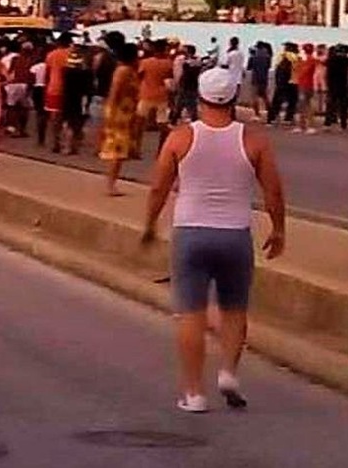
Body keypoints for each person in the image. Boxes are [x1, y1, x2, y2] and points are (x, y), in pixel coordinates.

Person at [143, 68, 286, 414]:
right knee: (234, 309)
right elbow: (273, 190)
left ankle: (194, 393)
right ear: (235, 96)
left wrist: (149, 223)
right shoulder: (253, 140)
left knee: (190, 314)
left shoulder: (180, 138)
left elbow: (159, 186)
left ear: (200, 97)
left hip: (191, 233)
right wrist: (279, 229)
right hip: (235, 234)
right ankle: (228, 373)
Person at [99, 37, 140, 196]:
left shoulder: (128, 71)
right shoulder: (123, 71)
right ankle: (111, 184)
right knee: (117, 151)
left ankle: (112, 183)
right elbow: (115, 93)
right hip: (119, 114)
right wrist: (111, 113)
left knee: (120, 152)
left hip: (124, 113)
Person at [137, 40, 174, 158]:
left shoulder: (145, 62)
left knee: (139, 122)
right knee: (162, 124)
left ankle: (136, 149)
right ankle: (160, 151)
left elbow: (139, 76)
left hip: (146, 94)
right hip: (162, 95)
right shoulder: (169, 63)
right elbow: (170, 81)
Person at [323, 44, 348, 132]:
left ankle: (327, 124)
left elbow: (324, 64)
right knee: (343, 106)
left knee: (330, 105)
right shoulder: (345, 60)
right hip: (342, 86)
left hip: (331, 85)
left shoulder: (331, 59)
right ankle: (343, 125)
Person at [267, 43, 298, 126]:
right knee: (292, 101)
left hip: (281, 82)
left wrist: (278, 81)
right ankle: (288, 118)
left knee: (276, 101)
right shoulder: (296, 57)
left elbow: (277, 69)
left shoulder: (282, 56)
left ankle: (272, 119)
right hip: (292, 82)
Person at [293, 44, 318, 134]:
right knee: (304, 105)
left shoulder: (309, 60)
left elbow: (302, 71)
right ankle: (303, 125)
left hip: (306, 85)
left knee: (305, 105)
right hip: (304, 84)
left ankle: (307, 126)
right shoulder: (307, 60)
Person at [247, 41, 272, 121]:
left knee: (254, 98)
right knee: (265, 98)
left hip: (255, 79)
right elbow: (268, 67)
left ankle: (257, 115)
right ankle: (271, 114)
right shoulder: (268, 56)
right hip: (264, 79)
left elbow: (249, 67)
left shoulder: (254, 56)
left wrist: (251, 55)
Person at [30, 48, 49, 146]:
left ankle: (40, 137)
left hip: (37, 89)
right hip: (46, 89)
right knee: (45, 113)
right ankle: (43, 133)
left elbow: (32, 80)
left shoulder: (34, 67)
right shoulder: (48, 67)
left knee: (39, 113)